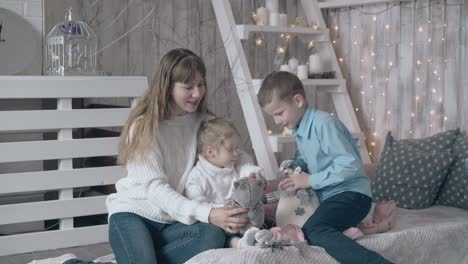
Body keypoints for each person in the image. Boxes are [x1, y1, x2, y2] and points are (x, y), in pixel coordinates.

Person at [30, 49, 250, 264]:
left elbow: (234, 151)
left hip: (173, 220)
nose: (197, 93)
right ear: (168, 87)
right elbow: (156, 190)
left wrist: (253, 175)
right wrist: (209, 213)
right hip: (133, 215)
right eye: (188, 87)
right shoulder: (144, 126)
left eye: (201, 84)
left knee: (212, 235)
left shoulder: (203, 122)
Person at [257, 71, 393, 264]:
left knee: (314, 229)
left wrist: (309, 180)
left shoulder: (325, 124)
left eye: (279, 113)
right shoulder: (301, 130)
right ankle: (345, 231)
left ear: (298, 100)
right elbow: (309, 159)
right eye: (273, 116)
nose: (277, 121)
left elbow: (350, 166)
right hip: (330, 197)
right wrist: (296, 169)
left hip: (352, 195)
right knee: (297, 224)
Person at [184, 117, 266, 248]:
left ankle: (257, 233)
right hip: (218, 218)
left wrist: (254, 174)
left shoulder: (234, 162)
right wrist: (221, 211)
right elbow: (197, 203)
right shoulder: (197, 177)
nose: (236, 153)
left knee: (260, 203)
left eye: (237, 147)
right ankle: (234, 242)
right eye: (231, 149)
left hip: (242, 213)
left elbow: (245, 166)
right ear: (211, 152)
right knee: (213, 230)